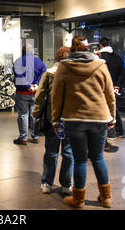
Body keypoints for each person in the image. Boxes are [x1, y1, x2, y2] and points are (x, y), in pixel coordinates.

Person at [52, 36, 116, 209]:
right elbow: (109, 94)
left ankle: (78, 200)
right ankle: (106, 198)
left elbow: (56, 96)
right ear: (88, 48)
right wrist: (113, 117)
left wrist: (55, 119)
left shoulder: (64, 67)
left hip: (74, 118)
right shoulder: (100, 66)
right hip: (99, 117)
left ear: (72, 49)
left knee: (80, 160)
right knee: (98, 157)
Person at [33, 46, 73, 195]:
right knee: (68, 153)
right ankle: (66, 184)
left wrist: (36, 113)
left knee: (51, 151)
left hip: (52, 118)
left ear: (57, 58)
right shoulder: (75, 74)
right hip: (70, 118)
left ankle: (47, 183)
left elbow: (40, 95)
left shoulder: (49, 73)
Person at [13, 43, 46, 145]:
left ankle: (23, 138)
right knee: (34, 115)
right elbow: (44, 75)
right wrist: (35, 85)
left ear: (22, 51)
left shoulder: (18, 61)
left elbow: (19, 76)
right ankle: (35, 137)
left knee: (23, 115)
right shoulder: (40, 62)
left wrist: (28, 86)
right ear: (33, 51)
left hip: (22, 92)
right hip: (36, 93)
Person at [97, 38, 125, 152]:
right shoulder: (118, 57)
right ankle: (120, 131)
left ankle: (109, 135)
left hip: (103, 88)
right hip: (114, 88)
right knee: (114, 109)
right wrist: (117, 85)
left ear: (100, 45)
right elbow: (122, 73)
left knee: (103, 111)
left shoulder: (100, 58)